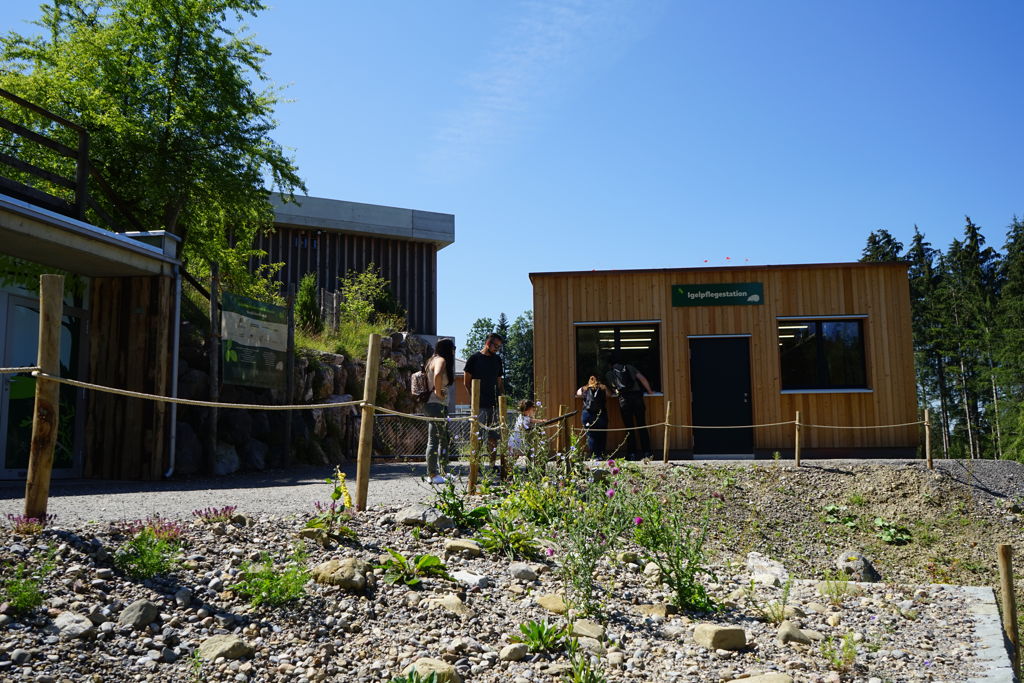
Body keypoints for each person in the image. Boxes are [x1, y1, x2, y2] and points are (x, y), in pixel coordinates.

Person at [464, 332, 505, 471]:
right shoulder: (474, 359)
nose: (497, 349)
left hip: (493, 405)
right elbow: (466, 382)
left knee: (493, 437)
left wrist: (501, 399)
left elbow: (500, 382)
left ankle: (493, 465)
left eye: (499, 347)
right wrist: (473, 401)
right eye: (495, 346)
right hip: (478, 406)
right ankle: (476, 465)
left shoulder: (497, 360)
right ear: (488, 343)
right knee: (478, 437)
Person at [605, 352, 654, 460]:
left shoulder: (609, 374)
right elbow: (642, 379)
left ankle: (632, 453)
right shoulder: (629, 367)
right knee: (642, 425)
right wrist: (650, 391)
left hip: (624, 400)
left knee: (629, 427)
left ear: (610, 364)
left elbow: (613, 389)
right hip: (637, 398)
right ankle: (647, 452)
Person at [423, 338, 455, 484]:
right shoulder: (441, 360)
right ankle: (433, 474)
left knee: (443, 438)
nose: (454, 351)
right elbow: (437, 375)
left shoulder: (431, 359)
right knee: (435, 439)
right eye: (453, 348)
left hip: (433, 404)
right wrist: (438, 392)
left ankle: (442, 471)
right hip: (436, 403)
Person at [576, 375, 608, 459]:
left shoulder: (584, 388)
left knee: (591, 435)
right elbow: (609, 395)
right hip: (601, 413)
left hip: (587, 414)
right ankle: (600, 455)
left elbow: (578, 393)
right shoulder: (603, 388)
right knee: (601, 434)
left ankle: (593, 456)